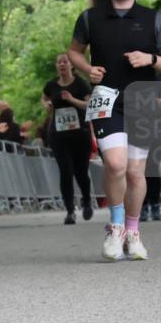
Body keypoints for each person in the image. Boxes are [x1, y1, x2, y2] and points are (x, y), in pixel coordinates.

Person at [67, 0, 161, 260]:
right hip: (107, 100)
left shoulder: (153, 18)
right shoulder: (90, 18)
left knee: (134, 172)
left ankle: (134, 232)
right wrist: (85, 69)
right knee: (115, 165)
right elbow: (74, 52)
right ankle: (116, 227)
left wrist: (151, 59)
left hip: (143, 102)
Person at [42, 52, 93, 224]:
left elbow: (89, 104)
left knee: (81, 171)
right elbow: (44, 99)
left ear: (72, 65)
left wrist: (72, 99)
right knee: (65, 171)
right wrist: (47, 105)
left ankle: (86, 201)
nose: (62, 65)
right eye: (59, 62)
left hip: (80, 134)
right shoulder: (51, 85)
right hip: (59, 134)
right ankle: (70, 211)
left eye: (65, 62)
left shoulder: (81, 84)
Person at [140, 80, 161, 222]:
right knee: (139, 170)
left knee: (152, 168)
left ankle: (155, 205)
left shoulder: (154, 79)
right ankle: (142, 206)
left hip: (156, 130)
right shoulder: (131, 80)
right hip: (137, 129)